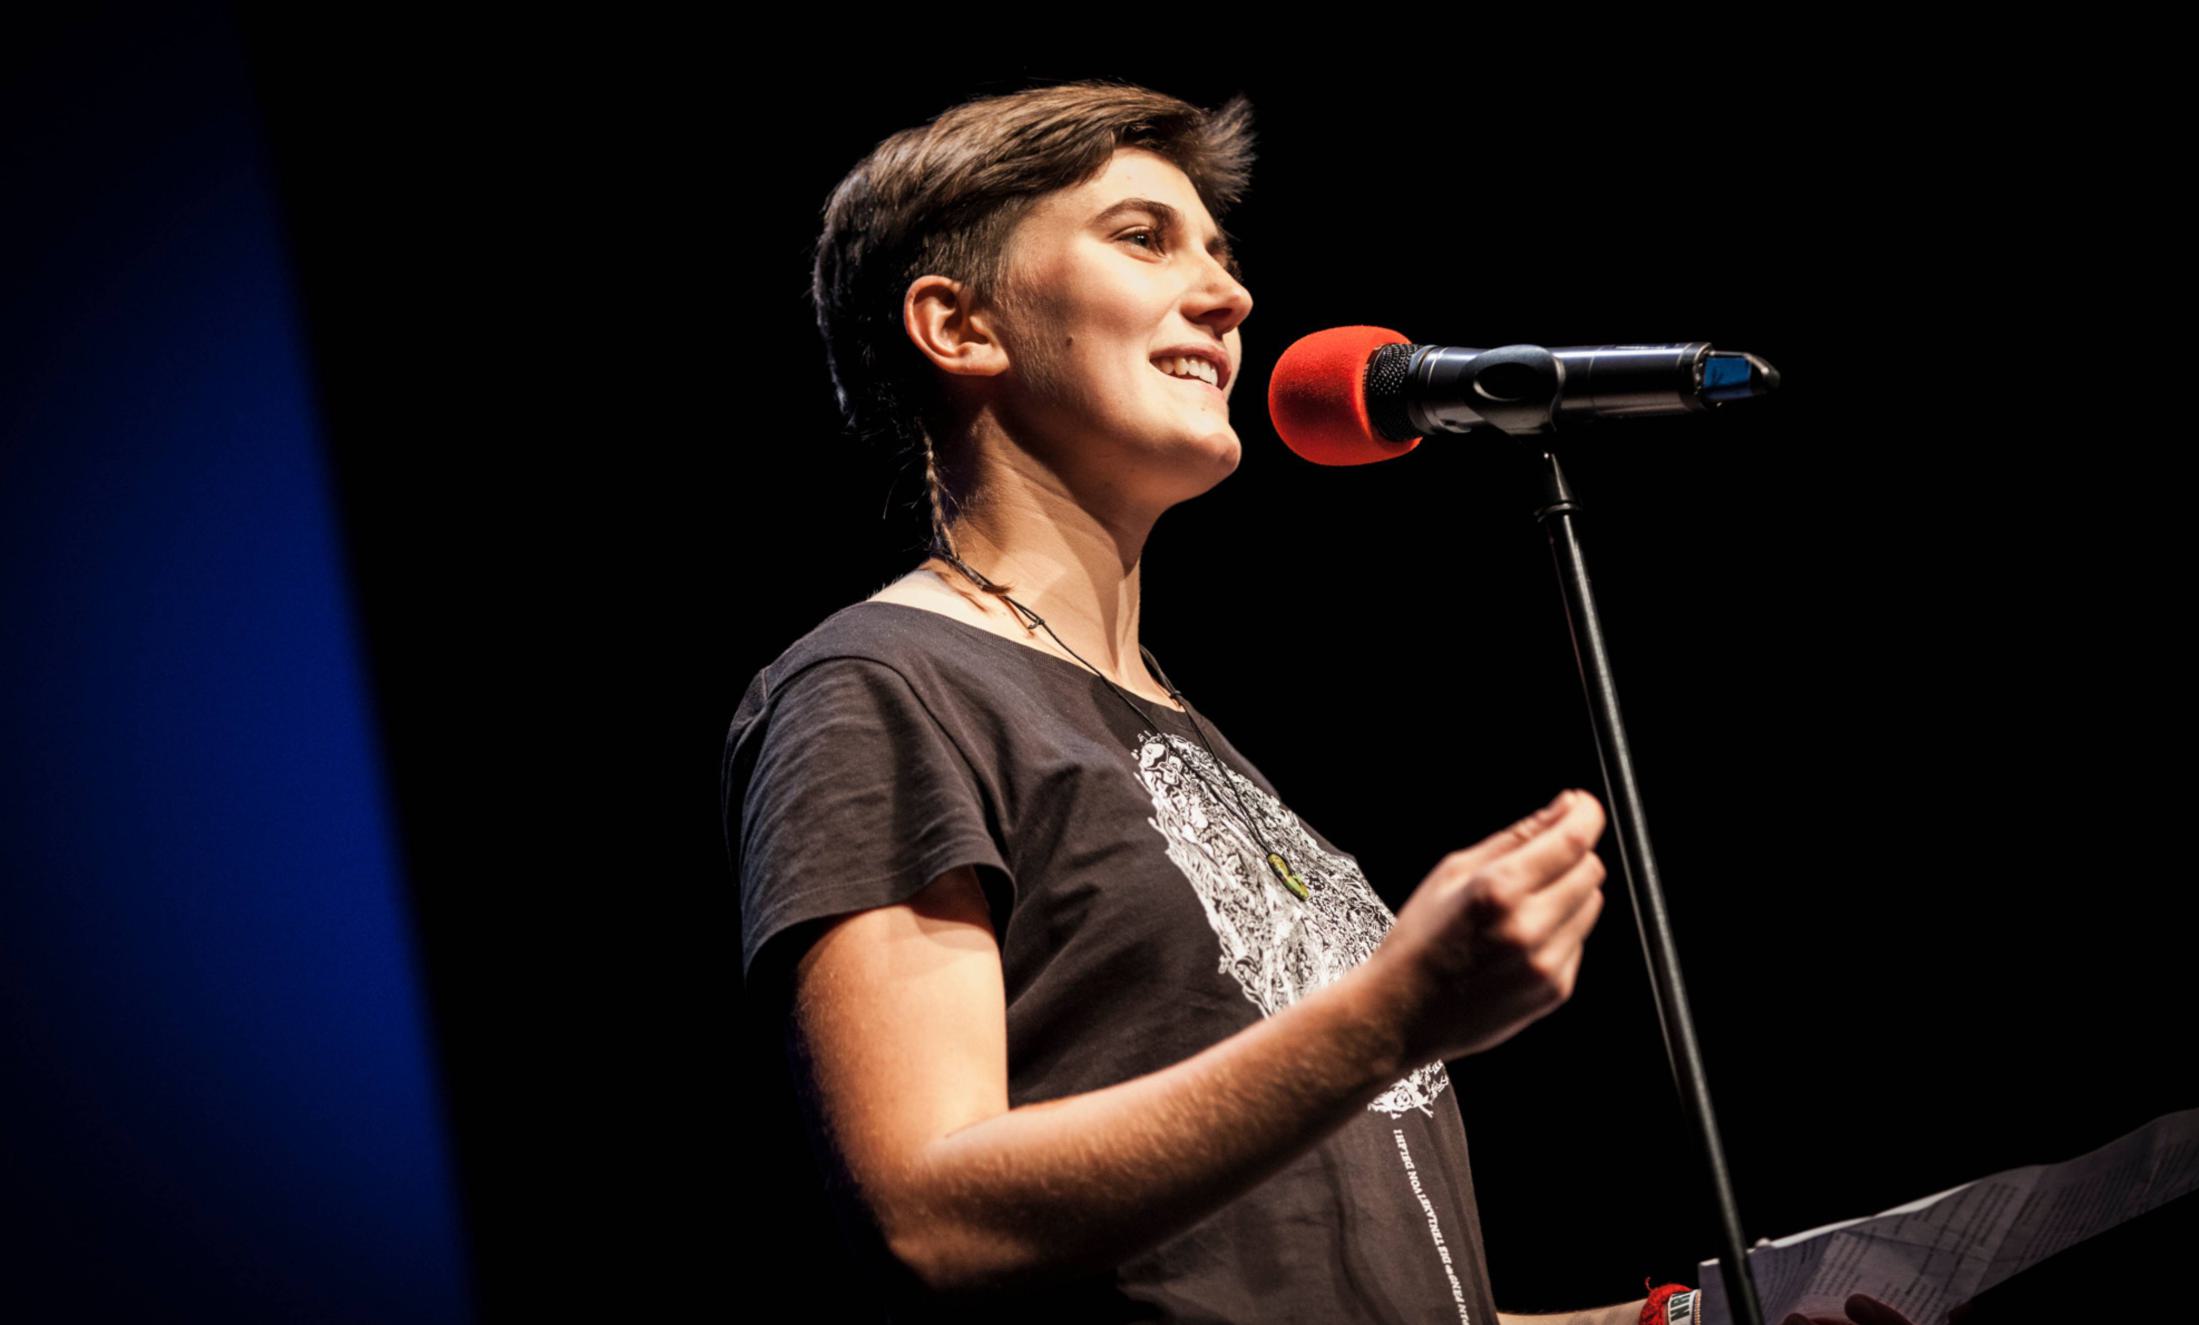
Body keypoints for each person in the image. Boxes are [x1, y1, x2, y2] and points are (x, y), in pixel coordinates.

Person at [724, 79, 1918, 1325]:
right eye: (1144, 238)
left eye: (1223, 253)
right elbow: (926, 1213)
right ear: (958, 324)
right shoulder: (880, 686)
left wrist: (1682, 1321)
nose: (1231, 296)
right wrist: (1386, 1016)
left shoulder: (1189, 734)